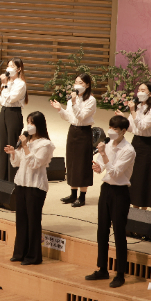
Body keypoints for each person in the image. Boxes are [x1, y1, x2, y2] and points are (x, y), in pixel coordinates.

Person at [85, 115, 135, 289]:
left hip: (120, 192)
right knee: (102, 230)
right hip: (106, 190)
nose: (111, 131)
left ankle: (120, 273)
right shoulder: (106, 145)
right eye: (110, 127)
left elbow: (115, 173)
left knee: (119, 233)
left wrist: (104, 155)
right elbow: (102, 167)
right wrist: (98, 167)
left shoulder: (128, 150)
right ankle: (102, 269)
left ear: (123, 131)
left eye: (115, 129)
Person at [4, 111, 55, 266]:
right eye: (28, 122)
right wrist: (14, 153)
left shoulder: (45, 144)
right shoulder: (26, 141)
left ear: (38, 125)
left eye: (32, 123)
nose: (29, 125)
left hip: (35, 186)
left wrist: (25, 146)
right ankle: (20, 253)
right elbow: (18, 162)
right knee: (21, 220)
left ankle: (33, 256)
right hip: (21, 183)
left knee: (33, 221)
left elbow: (34, 164)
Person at [50, 74, 97, 207]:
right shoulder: (72, 100)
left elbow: (81, 117)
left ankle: (82, 197)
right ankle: (73, 194)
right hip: (73, 131)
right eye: (76, 82)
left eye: (80, 82)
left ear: (87, 85)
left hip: (84, 132)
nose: (77, 85)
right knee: (71, 162)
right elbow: (69, 117)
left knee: (82, 164)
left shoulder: (91, 100)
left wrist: (75, 102)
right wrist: (60, 109)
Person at [115, 82, 151, 210]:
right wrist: (123, 118)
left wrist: (133, 111)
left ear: (150, 93)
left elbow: (142, 126)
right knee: (134, 176)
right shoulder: (138, 107)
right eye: (138, 89)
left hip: (147, 145)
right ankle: (134, 207)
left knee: (144, 177)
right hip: (136, 142)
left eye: (143, 90)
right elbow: (131, 128)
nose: (139, 92)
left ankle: (143, 209)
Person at [0, 58, 28, 182]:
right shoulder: (8, 83)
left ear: (19, 69)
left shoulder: (20, 84)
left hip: (14, 115)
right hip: (4, 113)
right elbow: (3, 102)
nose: (8, 69)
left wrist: (4, 85)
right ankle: (2, 180)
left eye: (12, 66)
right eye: (8, 66)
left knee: (11, 146)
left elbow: (10, 99)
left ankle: (12, 181)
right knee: (3, 147)